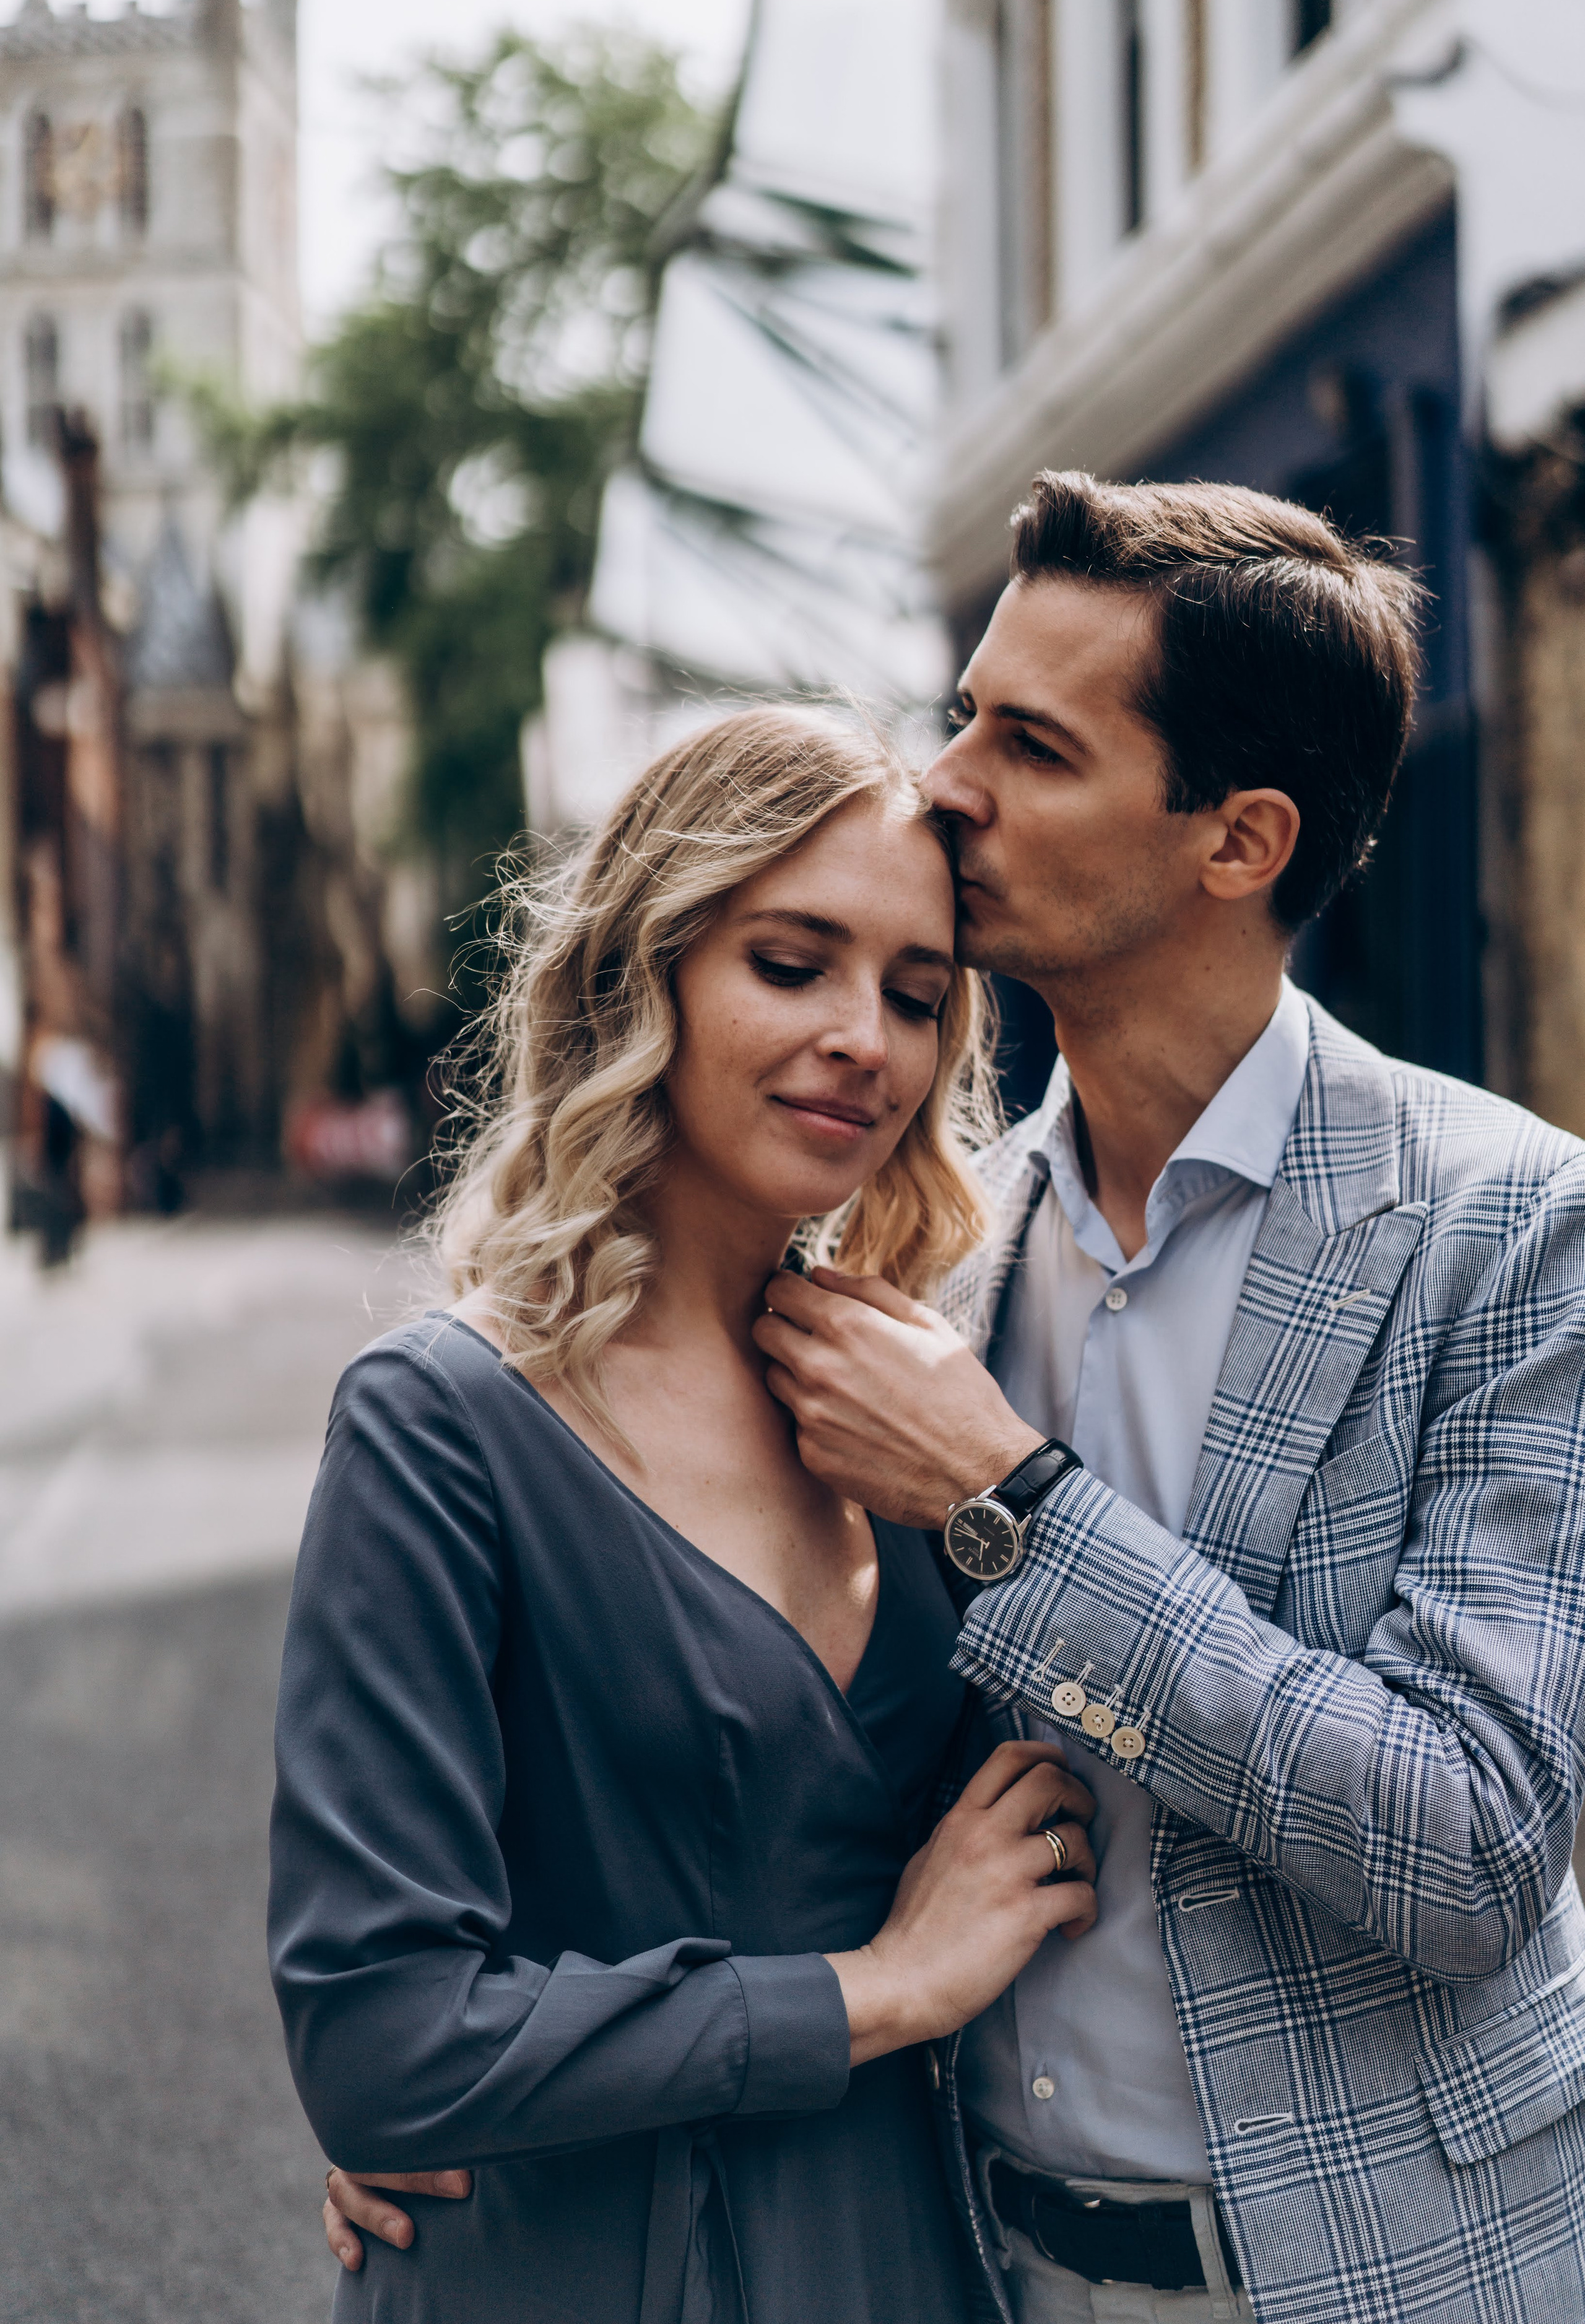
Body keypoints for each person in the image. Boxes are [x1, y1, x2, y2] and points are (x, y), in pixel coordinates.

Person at [745, 473, 1585, 2323]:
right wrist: (470, 2091)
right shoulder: (924, 1254)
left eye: (1030, 746)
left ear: (1237, 840)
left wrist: (1014, 1512)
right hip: (976, 2263)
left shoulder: (1510, 1231)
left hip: (1382, 2284)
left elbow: (1470, 1846)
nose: (945, 780)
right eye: (964, 712)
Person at [269, 707, 1103, 2324]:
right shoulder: (442, 1425)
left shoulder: (929, 1396)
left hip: (897, 2256)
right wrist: (876, 1989)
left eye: (916, 996)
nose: (867, 1037)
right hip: (578, 2269)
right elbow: (381, 2046)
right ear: (638, 976)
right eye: (792, 965)